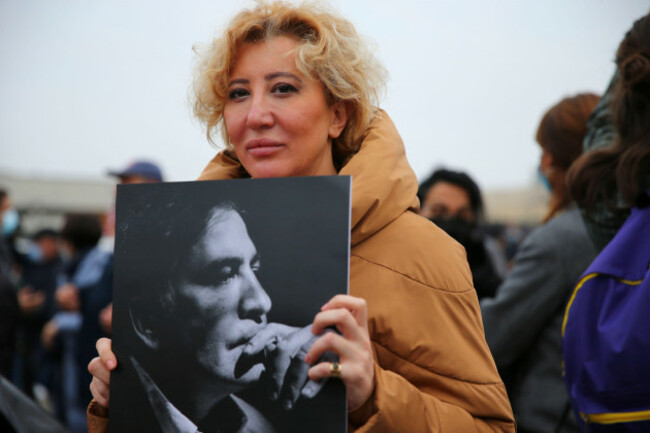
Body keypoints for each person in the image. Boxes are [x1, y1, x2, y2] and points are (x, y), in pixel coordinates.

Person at [88, 2, 515, 432]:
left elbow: (492, 427)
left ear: (337, 114)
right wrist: (119, 403)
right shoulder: (177, 243)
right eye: (238, 93)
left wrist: (373, 396)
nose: (256, 116)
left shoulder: (422, 252)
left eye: (283, 88)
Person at [480, 93, 600, 433]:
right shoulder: (631, 226)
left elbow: (493, 338)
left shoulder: (561, 240)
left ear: (564, 158)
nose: (543, 162)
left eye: (547, 150)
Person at [418, 168, 508, 299]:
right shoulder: (397, 259)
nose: (451, 221)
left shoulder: (487, 256)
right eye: (439, 211)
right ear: (418, 209)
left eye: (462, 215)